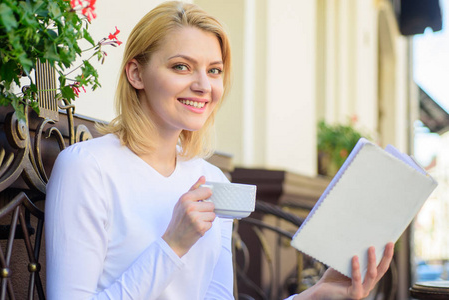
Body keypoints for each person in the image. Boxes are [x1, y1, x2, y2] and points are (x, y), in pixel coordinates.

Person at [45, 1, 394, 299]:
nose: (203, 86)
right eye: (181, 66)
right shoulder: (87, 167)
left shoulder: (210, 178)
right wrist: (173, 246)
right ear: (136, 73)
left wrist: (314, 294)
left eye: (214, 71)